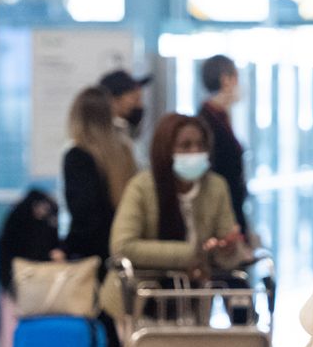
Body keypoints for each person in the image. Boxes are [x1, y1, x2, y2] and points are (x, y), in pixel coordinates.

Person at [99, 113, 243, 323]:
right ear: (166, 149)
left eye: (200, 145)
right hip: (140, 303)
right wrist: (191, 253)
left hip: (195, 300)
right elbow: (123, 245)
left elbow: (225, 242)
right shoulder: (142, 187)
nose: (195, 151)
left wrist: (228, 249)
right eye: (185, 146)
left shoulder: (216, 186)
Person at [61, 85, 137, 347]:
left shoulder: (78, 157)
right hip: (122, 260)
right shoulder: (123, 155)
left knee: (99, 337)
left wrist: (64, 247)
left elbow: (85, 215)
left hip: (92, 261)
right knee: (119, 338)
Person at [197, 55, 253, 239]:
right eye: (236, 77)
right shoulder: (208, 121)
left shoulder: (221, 117)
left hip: (232, 208)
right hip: (220, 215)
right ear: (226, 79)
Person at [98, 68, 150, 140]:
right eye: (135, 99)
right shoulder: (102, 138)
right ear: (113, 100)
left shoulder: (124, 135)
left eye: (140, 99)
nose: (139, 105)